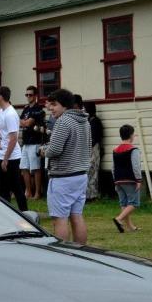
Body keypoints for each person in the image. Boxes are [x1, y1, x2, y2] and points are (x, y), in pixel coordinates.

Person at [38, 88, 91, 243]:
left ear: (65, 106)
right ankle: (82, 253)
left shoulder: (63, 121)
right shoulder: (84, 121)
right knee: (76, 216)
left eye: (54, 104)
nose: (50, 108)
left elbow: (54, 150)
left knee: (59, 219)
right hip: (80, 175)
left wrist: (43, 150)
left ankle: (64, 255)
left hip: (63, 177)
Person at [0, 86, 27, 211]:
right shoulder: (1, 111)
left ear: (1, 97)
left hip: (11, 157)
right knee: (3, 188)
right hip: (1, 154)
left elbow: (13, 138)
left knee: (16, 187)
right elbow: (2, 132)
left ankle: (25, 212)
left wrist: (6, 159)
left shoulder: (11, 114)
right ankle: (7, 213)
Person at [111, 125, 143, 233]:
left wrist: (115, 181)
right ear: (131, 135)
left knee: (124, 204)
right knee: (134, 203)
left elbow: (113, 167)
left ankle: (130, 227)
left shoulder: (115, 150)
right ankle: (118, 219)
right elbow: (136, 166)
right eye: (133, 133)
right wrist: (138, 180)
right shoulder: (133, 149)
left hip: (118, 180)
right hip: (130, 180)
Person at [19, 86, 47, 200]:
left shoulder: (38, 109)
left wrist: (25, 122)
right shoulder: (26, 109)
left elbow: (27, 123)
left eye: (30, 95)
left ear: (35, 96)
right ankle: (28, 192)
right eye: (26, 95)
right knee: (24, 168)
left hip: (35, 142)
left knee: (35, 168)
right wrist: (24, 122)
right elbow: (21, 122)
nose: (28, 97)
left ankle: (37, 193)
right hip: (25, 142)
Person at [82, 99, 104, 201]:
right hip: (87, 150)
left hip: (93, 150)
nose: (83, 111)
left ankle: (92, 195)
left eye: (85, 109)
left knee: (93, 172)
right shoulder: (88, 121)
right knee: (87, 173)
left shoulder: (95, 122)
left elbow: (95, 139)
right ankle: (87, 195)